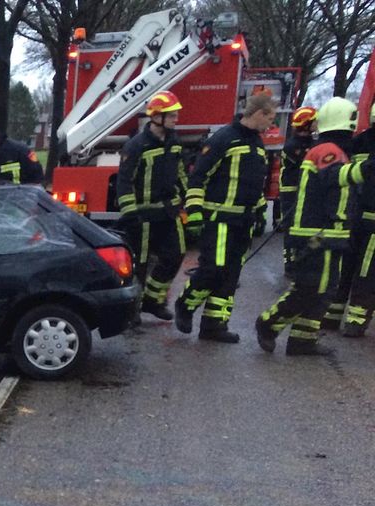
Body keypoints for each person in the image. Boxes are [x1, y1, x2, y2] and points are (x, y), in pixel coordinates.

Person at [255, 97, 375, 356]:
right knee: (309, 287)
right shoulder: (326, 151)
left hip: (329, 234)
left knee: (325, 290)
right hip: (316, 233)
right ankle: (268, 323)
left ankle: (303, 340)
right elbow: (337, 177)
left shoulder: (335, 150)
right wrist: (368, 166)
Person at [174, 92, 277, 343]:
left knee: (230, 276)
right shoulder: (224, 139)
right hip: (219, 220)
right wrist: (195, 213)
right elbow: (199, 177)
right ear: (259, 113)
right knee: (213, 270)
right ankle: (185, 305)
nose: (271, 124)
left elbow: (254, 183)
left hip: (243, 222)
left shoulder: (256, 143)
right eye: (270, 118)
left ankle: (214, 325)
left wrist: (260, 209)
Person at [115, 91, 188, 321]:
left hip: (168, 211)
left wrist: (188, 198)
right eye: (172, 115)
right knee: (140, 265)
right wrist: (130, 214)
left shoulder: (174, 141)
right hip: (143, 215)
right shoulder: (137, 145)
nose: (176, 119)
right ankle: (133, 310)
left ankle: (152, 301)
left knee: (175, 256)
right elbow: (124, 181)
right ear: (157, 117)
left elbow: (180, 173)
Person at [326, 103, 375, 337]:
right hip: (372, 221)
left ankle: (332, 316)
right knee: (366, 272)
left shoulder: (358, 141)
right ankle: (356, 322)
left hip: (352, 216)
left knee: (346, 266)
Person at [278, 106, 317, 270]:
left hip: (303, 190)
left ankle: (301, 259)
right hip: (290, 192)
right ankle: (289, 263)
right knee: (290, 228)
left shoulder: (310, 143)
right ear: (306, 124)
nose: (317, 123)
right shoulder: (292, 146)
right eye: (314, 121)